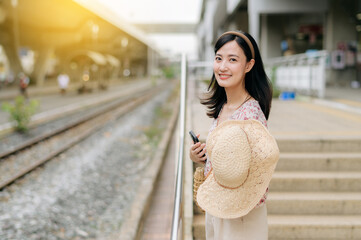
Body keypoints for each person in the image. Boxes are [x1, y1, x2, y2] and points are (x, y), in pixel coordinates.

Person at [189, 30, 279, 240]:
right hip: (221, 208)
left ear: (248, 65)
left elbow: (256, 172)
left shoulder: (250, 115)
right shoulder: (225, 106)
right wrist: (202, 157)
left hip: (241, 215)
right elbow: (232, 161)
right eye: (219, 58)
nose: (222, 67)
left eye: (232, 60)